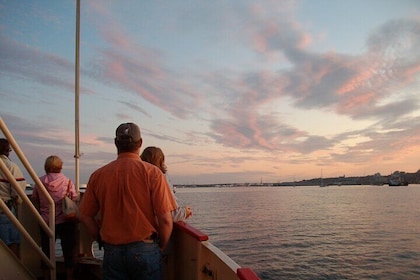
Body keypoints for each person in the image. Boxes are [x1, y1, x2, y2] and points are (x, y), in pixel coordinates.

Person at [79, 122, 177, 280]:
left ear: (116, 143)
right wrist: (161, 245)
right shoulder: (153, 173)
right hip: (145, 248)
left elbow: (85, 216)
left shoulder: (98, 175)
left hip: (112, 251)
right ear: (140, 143)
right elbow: (165, 220)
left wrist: (99, 239)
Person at [31, 155, 78, 280]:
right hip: (65, 220)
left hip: (46, 220)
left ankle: (47, 276)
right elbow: (74, 198)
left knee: (46, 251)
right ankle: (69, 276)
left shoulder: (39, 182)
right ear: (60, 167)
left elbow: (35, 198)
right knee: (69, 250)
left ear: (47, 167)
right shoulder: (67, 181)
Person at [140, 146, 192, 222]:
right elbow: (169, 214)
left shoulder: (138, 179)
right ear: (161, 161)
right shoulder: (159, 179)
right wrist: (185, 212)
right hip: (154, 229)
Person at [0, 138, 26, 258]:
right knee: (12, 241)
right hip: (5, 208)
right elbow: (18, 192)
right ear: (8, 151)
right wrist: (17, 202)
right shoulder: (11, 166)